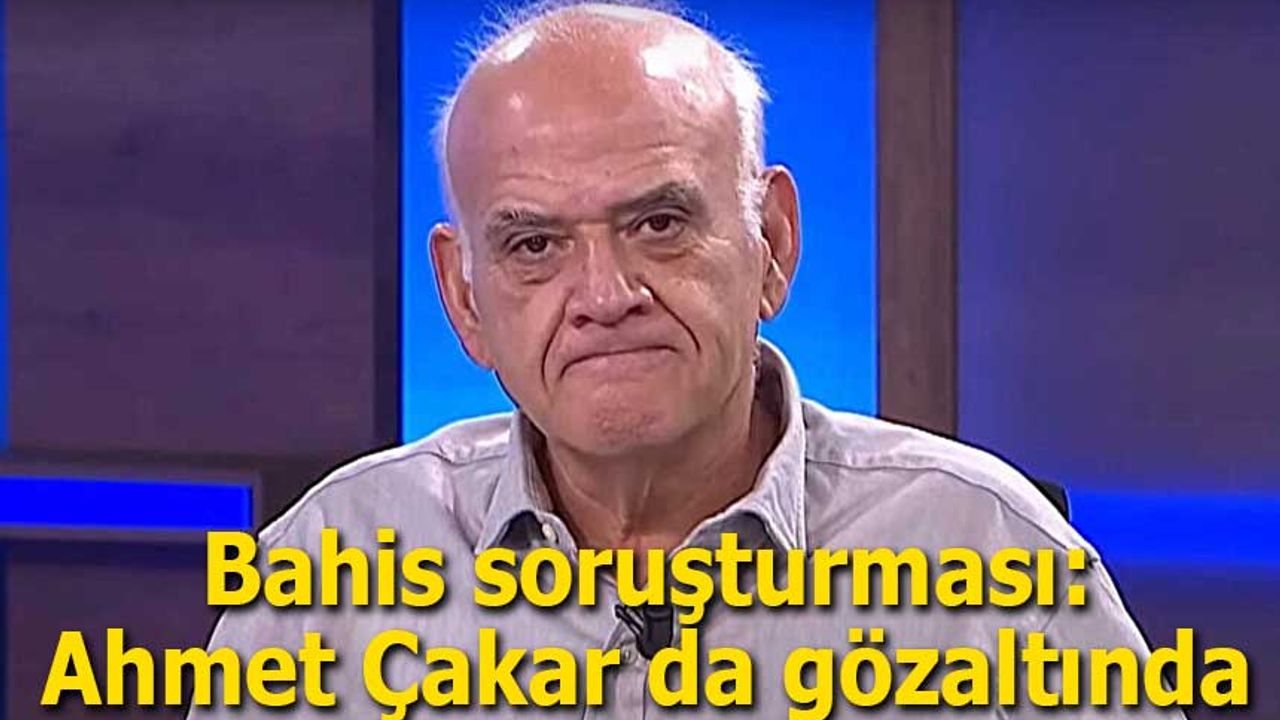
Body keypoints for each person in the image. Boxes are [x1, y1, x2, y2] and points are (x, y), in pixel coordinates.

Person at [194, 2, 1182, 717]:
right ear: (464, 298)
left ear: (772, 243)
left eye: (659, 224)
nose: (604, 295)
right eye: (534, 244)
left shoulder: (995, 558)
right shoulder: (322, 576)